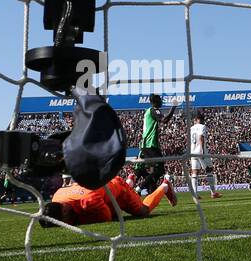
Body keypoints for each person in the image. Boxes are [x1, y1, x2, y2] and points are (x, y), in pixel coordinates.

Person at [44, 173, 176, 226]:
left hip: (118, 191)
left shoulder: (88, 201)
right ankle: (130, 181)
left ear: (64, 211)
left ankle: (164, 186)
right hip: (105, 192)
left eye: (63, 220)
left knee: (143, 211)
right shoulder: (57, 196)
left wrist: (80, 219)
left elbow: (107, 217)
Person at [140, 94, 178, 188]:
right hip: (150, 144)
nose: (161, 101)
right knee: (159, 170)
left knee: (155, 170)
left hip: (149, 144)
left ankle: (151, 192)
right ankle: (139, 188)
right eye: (160, 100)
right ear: (156, 101)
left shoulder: (148, 111)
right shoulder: (154, 110)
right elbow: (164, 120)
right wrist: (173, 107)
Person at [188, 112, 221, 199]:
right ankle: (213, 193)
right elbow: (201, 138)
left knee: (194, 172)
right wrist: (202, 151)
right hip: (201, 151)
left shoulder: (191, 128)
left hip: (193, 152)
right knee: (209, 170)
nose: (203, 121)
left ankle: (195, 194)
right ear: (200, 119)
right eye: (202, 119)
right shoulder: (202, 127)